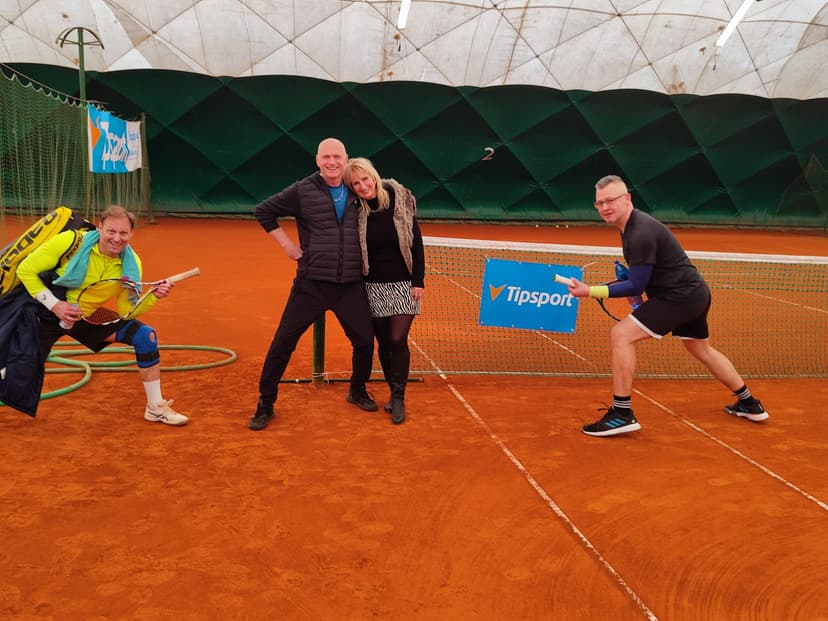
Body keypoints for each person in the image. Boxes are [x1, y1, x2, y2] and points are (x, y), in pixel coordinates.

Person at [566, 175, 768, 437]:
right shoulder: (631, 227)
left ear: (627, 199)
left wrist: (590, 291)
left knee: (621, 335)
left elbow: (636, 287)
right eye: (599, 203)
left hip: (679, 296)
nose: (605, 207)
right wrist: (622, 284)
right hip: (695, 293)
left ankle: (621, 413)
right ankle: (750, 403)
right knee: (700, 348)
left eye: (610, 200)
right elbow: (639, 280)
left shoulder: (640, 232)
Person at [16, 204, 189, 425]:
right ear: (100, 228)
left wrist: (153, 295)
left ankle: (155, 408)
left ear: (131, 234)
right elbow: (25, 270)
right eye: (111, 231)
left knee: (145, 336)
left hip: (87, 317)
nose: (117, 238)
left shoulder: (130, 264)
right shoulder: (70, 242)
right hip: (45, 314)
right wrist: (55, 305)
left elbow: (126, 311)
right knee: (14, 371)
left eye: (123, 233)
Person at [248, 138, 376, 431]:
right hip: (311, 284)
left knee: (365, 341)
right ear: (317, 160)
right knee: (283, 343)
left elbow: (383, 195)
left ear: (346, 159)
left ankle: (357, 390)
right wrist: (287, 247)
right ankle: (265, 403)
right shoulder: (302, 190)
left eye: (337, 157)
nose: (332, 162)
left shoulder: (356, 188)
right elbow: (263, 211)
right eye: (326, 157)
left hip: (350, 284)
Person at [343, 158, 425, 425]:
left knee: (398, 339)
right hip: (372, 286)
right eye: (356, 184)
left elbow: (416, 244)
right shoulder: (356, 211)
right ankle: (392, 390)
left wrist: (417, 281)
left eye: (365, 179)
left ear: (374, 176)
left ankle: (399, 398)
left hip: (403, 284)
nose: (362, 186)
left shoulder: (400, 200)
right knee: (383, 343)